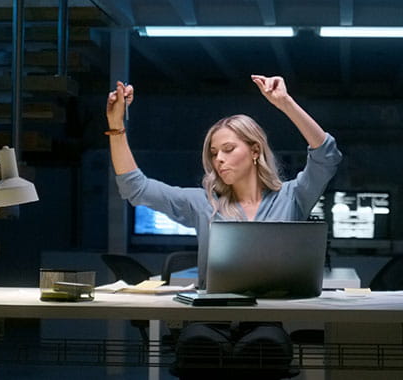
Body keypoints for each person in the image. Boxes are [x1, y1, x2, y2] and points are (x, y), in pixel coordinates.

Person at [106, 75, 342, 378]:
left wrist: (285, 103)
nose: (219, 159)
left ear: (255, 151)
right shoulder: (203, 202)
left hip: (266, 322)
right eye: (214, 153)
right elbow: (135, 188)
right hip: (207, 320)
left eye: (228, 149)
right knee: (199, 345)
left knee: (265, 346)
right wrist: (116, 127)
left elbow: (326, 156)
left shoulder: (292, 196)